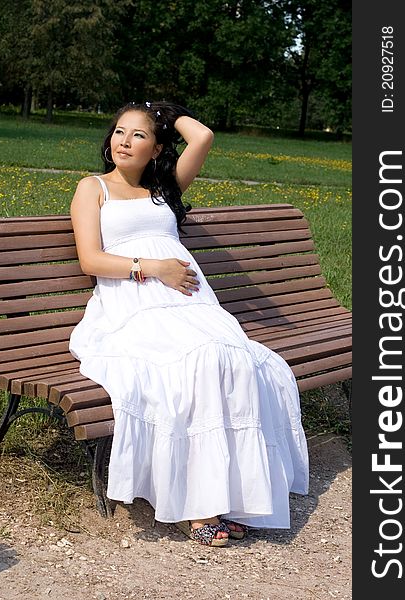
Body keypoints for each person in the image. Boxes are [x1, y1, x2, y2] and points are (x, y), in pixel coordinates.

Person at [69, 101, 309, 547]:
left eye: (138, 134)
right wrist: (154, 267)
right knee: (193, 365)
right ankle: (191, 508)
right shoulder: (93, 188)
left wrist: (166, 110)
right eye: (119, 132)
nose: (124, 140)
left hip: (193, 305)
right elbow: (91, 260)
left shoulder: (166, 188)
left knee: (237, 361)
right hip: (133, 304)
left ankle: (229, 499)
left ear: (157, 147)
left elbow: (202, 137)